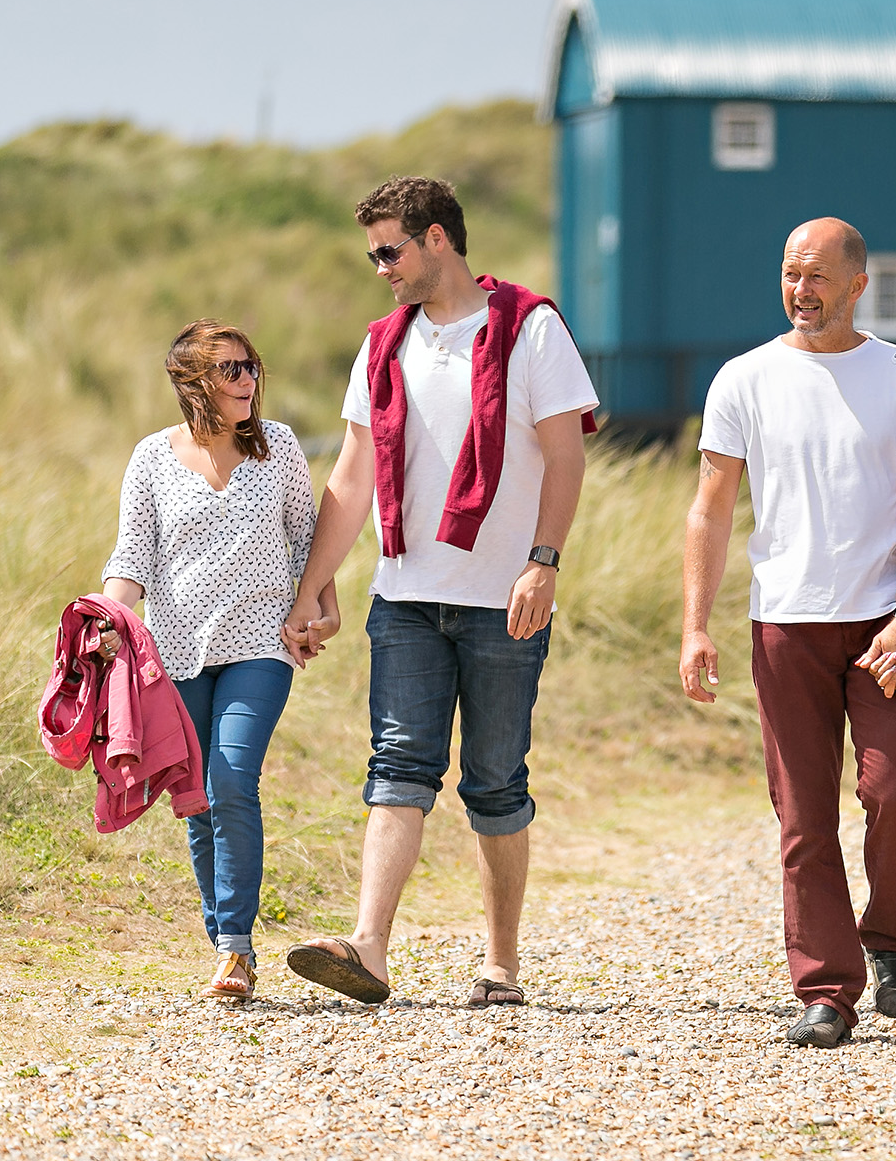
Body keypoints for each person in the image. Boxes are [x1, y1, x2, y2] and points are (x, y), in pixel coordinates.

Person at [280, 175, 597, 1008]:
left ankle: (501, 963)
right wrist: (313, 590)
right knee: (398, 766)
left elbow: (565, 457)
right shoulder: (385, 344)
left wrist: (544, 559)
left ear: (438, 241)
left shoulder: (531, 329)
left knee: (495, 781)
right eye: (374, 253)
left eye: (390, 250)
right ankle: (370, 948)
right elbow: (352, 478)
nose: (380, 267)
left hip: (506, 599)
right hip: (406, 597)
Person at [679, 218, 896, 1048]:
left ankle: (888, 936)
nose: (802, 290)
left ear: (858, 283)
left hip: (883, 624)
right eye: (791, 274)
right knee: (803, 817)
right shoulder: (744, 379)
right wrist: (694, 625)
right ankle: (828, 991)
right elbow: (711, 507)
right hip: (784, 624)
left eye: (818, 276)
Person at [102, 320, 337, 1001]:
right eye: (231, 370)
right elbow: (132, 557)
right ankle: (227, 943)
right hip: (173, 652)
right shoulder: (151, 458)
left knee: (232, 777)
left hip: (261, 644)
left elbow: (307, 541)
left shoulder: (280, 447)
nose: (248, 381)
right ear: (194, 382)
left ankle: (235, 948)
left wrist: (325, 606)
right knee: (198, 799)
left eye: (251, 367)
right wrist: (109, 618)